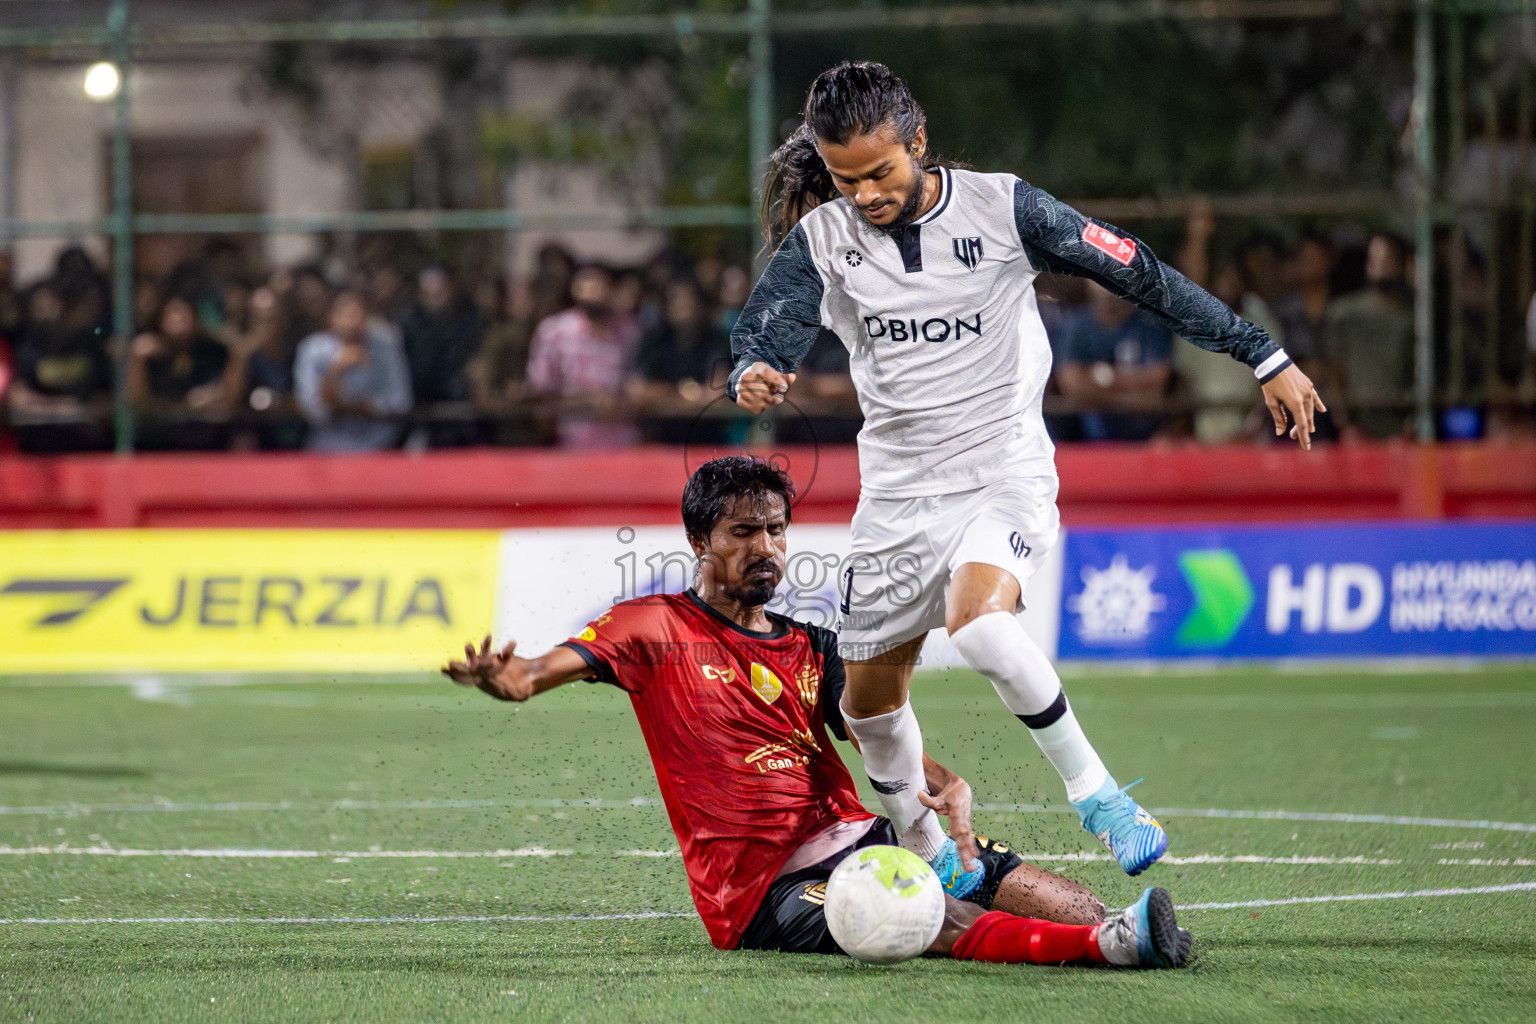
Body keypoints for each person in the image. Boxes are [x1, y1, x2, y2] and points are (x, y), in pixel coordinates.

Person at [728, 62, 1325, 890]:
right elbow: (768, 323)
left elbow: (1138, 273)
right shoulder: (823, 239)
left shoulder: (1003, 207)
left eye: (880, 172)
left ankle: (1102, 797)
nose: (864, 194)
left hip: (999, 470)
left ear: (920, 141)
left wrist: (1263, 353)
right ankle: (933, 853)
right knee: (865, 705)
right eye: (844, 177)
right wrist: (754, 367)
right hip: (898, 495)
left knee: (979, 625)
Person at [443, 456, 1190, 968]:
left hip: (861, 833)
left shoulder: (815, 645)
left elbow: (880, 740)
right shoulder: (652, 628)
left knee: (1008, 876)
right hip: (760, 891)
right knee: (916, 913)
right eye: (743, 533)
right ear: (701, 540)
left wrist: (944, 783)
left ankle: (1106, 925)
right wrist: (508, 677)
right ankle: (1104, 949)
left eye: (775, 530)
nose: (765, 547)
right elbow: (536, 674)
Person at [525, 263, 642, 449]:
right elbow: (541, 393)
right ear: (574, 290)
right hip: (572, 445)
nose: (594, 292)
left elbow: (639, 389)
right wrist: (588, 402)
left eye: (600, 286)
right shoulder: (555, 332)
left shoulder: (630, 333)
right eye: (587, 285)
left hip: (622, 446)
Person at [293, 288, 413, 452]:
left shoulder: (386, 345)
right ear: (331, 316)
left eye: (359, 313)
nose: (353, 321)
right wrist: (335, 371)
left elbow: (400, 401)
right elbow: (311, 408)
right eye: (346, 313)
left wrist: (366, 408)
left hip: (379, 445)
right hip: (328, 448)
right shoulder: (313, 349)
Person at [1054, 280, 1174, 441]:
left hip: (1144, 437)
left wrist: (1095, 384)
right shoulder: (1076, 325)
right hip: (1085, 440)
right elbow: (1072, 385)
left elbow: (1157, 380)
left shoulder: (1150, 324)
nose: (1107, 286)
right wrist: (1131, 400)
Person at [1326, 233, 1414, 440]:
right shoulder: (1343, 314)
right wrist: (1346, 423)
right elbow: (1335, 370)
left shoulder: (1412, 319)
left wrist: (1410, 425)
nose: (1381, 266)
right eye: (1376, 259)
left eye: (1389, 259)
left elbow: (1417, 374)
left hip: (1399, 428)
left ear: (1401, 265)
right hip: (1357, 427)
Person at [126, 293, 233, 450]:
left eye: (184, 313)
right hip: (157, 440)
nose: (178, 320)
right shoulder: (148, 355)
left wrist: (209, 397)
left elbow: (226, 394)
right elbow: (137, 401)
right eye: (172, 314)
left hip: (204, 438)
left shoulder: (210, 352)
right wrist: (138, 360)